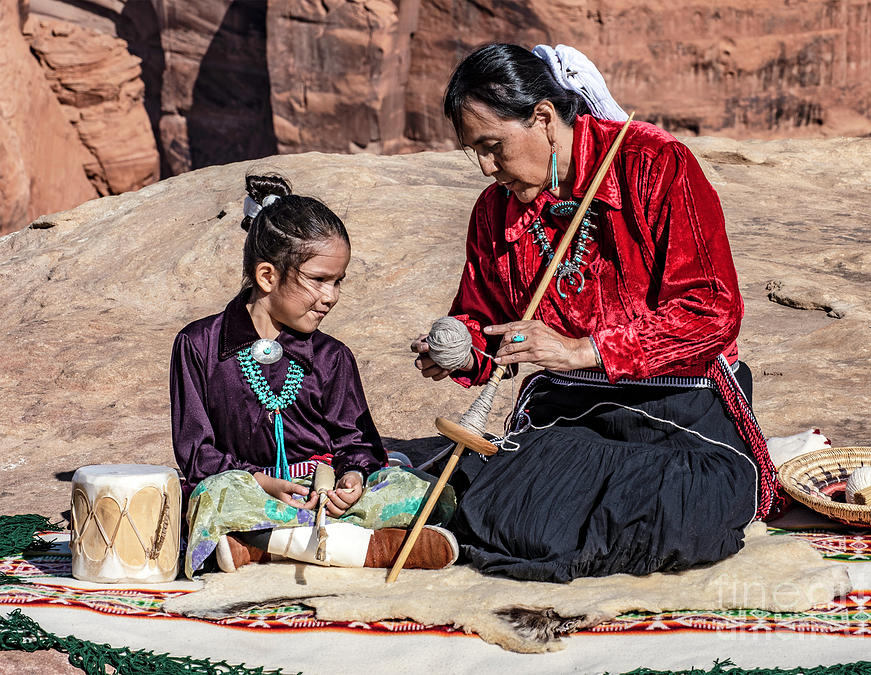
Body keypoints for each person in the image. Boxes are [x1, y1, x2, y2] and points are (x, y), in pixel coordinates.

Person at [411, 43, 785, 583]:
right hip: (574, 413)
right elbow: (485, 321)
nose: (490, 169)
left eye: (494, 146)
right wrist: (459, 351)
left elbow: (713, 312)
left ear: (542, 117)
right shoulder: (495, 212)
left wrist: (582, 350)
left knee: (686, 508)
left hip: (677, 406)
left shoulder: (655, 165)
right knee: (491, 494)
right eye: (477, 153)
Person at [171, 173, 456, 578]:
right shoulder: (198, 345)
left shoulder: (332, 357)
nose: (332, 296)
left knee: (409, 487)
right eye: (319, 280)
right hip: (252, 492)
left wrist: (353, 478)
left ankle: (261, 547)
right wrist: (264, 485)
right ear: (267, 276)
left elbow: (357, 443)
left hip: (321, 493)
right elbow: (196, 452)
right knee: (214, 496)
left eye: (338, 281)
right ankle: (373, 548)